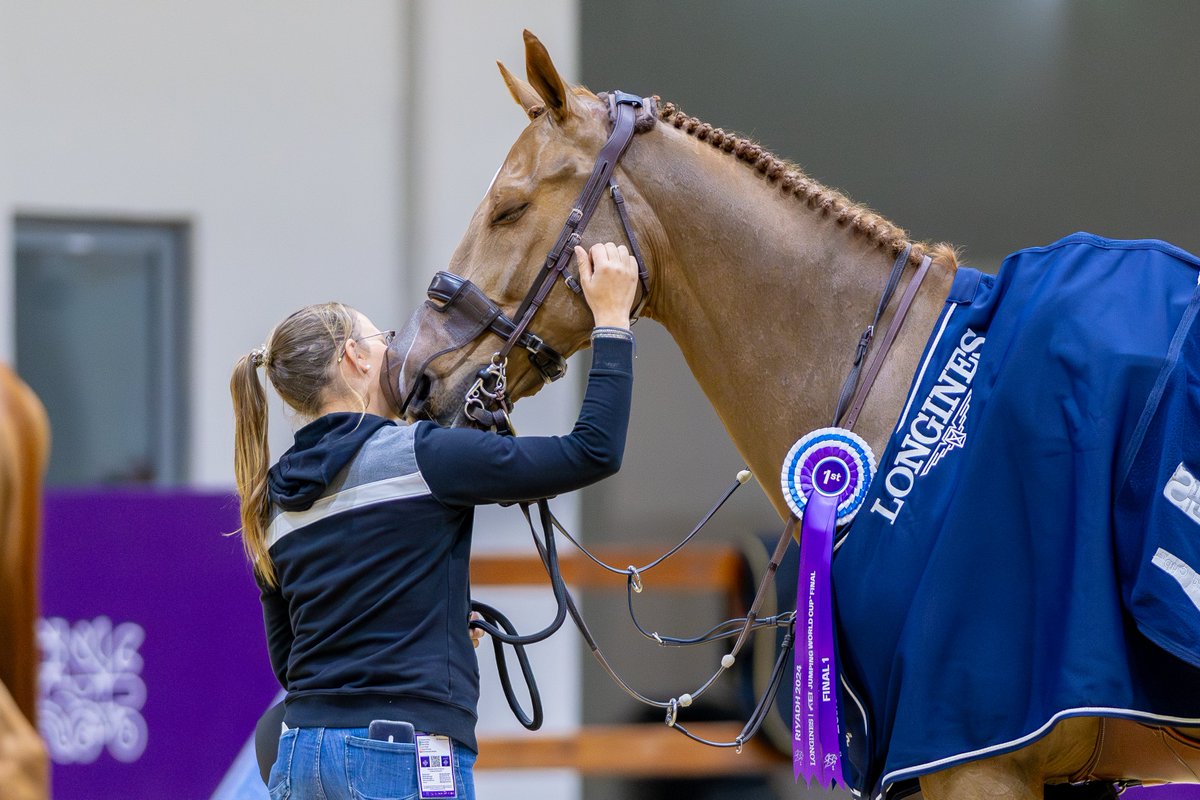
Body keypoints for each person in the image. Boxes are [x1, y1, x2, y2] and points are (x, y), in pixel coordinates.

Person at [229, 242, 639, 800]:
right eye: (385, 339)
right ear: (355, 357)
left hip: (302, 755)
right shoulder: (423, 457)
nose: (395, 349)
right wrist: (613, 321)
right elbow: (592, 452)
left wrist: (425, 629)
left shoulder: (270, 504)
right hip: (399, 755)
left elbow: (294, 660)